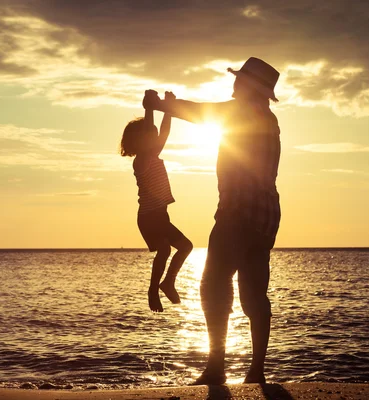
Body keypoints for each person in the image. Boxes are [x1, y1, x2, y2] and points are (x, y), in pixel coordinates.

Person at [143, 57, 281, 384]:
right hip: (266, 213)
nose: (234, 84)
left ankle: (216, 367)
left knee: (213, 285)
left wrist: (160, 104)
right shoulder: (269, 118)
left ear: (250, 86)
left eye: (239, 79)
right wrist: (170, 105)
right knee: (253, 293)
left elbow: (202, 112)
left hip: (239, 209)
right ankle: (256, 371)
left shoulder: (243, 110)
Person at [120, 90, 193, 313]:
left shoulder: (153, 154)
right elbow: (155, 129)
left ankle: (167, 282)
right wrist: (150, 108)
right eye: (149, 134)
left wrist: (168, 107)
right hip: (149, 218)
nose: (155, 136)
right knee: (164, 250)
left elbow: (165, 131)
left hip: (160, 215)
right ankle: (153, 290)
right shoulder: (142, 160)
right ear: (141, 140)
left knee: (185, 247)